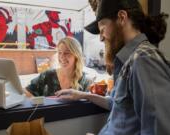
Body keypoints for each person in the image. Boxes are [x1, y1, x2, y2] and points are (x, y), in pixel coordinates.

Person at [55, 0, 170, 134]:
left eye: (102, 29)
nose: (101, 38)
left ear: (122, 18)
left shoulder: (143, 59)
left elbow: (159, 130)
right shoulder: (129, 60)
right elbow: (117, 104)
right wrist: (83, 95)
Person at [25, 37, 91, 97]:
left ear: (76, 55)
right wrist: (38, 104)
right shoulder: (47, 75)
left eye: (67, 53)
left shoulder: (85, 80)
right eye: (59, 52)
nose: (62, 56)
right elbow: (26, 91)